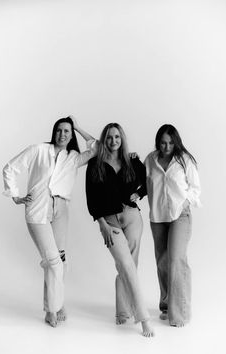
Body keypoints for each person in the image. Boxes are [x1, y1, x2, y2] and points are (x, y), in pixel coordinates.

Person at [3, 116, 97, 327]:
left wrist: (78, 126)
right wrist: (15, 194)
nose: (62, 134)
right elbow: (10, 167)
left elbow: (96, 147)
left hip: (61, 209)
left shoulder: (73, 157)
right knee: (53, 261)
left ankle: (56, 302)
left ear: (71, 135)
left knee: (59, 261)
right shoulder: (38, 150)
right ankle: (53, 309)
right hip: (37, 209)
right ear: (54, 132)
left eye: (67, 131)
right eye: (59, 130)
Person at [86, 123, 154, 338]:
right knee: (125, 264)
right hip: (109, 222)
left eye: (117, 137)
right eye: (109, 137)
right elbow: (91, 197)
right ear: (103, 140)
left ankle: (122, 312)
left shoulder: (131, 160)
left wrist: (139, 195)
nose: (113, 141)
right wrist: (101, 223)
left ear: (122, 139)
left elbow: (146, 182)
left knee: (130, 266)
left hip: (132, 217)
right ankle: (143, 319)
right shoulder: (95, 164)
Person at [144, 124, 201, 327]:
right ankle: (167, 306)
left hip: (180, 215)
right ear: (158, 142)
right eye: (163, 142)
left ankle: (181, 313)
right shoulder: (150, 159)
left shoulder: (185, 160)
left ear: (176, 142)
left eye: (170, 143)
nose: (167, 147)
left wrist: (185, 202)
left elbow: (195, 189)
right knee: (162, 262)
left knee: (176, 260)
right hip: (158, 216)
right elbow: (144, 183)